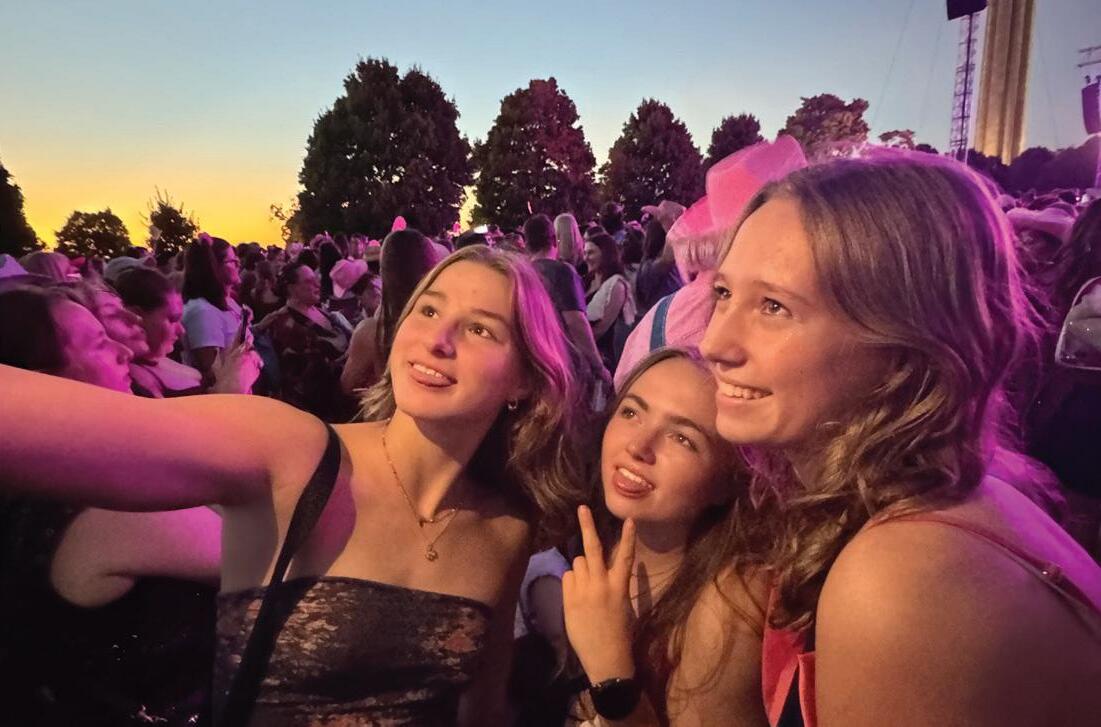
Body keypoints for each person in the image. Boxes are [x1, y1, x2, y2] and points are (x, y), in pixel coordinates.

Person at [0, 245, 588, 725]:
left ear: (523, 380)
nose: (439, 339)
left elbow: (480, 714)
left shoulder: (506, 529)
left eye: (480, 329)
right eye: (428, 310)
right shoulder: (295, 452)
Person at [699, 153, 1101, 726]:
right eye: (722, 293)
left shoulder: (903, 580)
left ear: (906, 340)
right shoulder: (958, 494)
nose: (715, 344)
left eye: (774, 307)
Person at [0, 286, 220, 726]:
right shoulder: (100, 504)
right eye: (100, 343)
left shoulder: (29, 481)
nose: (124, 352)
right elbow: (283, 552)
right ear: (44, 383)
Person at [562, 348, 769, 726]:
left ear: (726, 483)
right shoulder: (583, 532)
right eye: (631, 412)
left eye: (682, 438)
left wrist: (610, 669)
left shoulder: (727, 604)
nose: (638, 447)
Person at [115, 266, 260, 397]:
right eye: (172, 319)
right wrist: (234, 386)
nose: (181, 330)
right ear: (136, 316)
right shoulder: (133, 382)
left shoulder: (157, 359)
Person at [341, 229, 444, 394]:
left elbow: (347, 385)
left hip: (393, 409)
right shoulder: (448, 324)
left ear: (383, 273)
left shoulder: (372, 332)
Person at [256, 261, 355, 421]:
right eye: (309, 281)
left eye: (316, 278)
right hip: (316, 412)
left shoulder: (320, 311)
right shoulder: (285, 324)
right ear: (291, 288)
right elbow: (307, 377)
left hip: (339, 398)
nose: (317, 284)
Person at [524, 213, 609, 395]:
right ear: (554, 239)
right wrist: (599, 367)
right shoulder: (562, 272)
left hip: (534, 365)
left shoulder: (521, 274)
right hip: (565, 366)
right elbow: (576, 322)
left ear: (527, 243)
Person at [180, 236, 244, 386]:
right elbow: (212, 374)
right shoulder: (203, 312)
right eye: (232, 261)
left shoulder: (228, 302)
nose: (238, 265)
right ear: (213, 267)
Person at [584, 232, 637, 371]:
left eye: (590, 253)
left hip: (603, 357)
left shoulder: (616, 285)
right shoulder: (585, 281)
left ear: (606, 254)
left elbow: (602, 328)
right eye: (584, 253)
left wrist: (578, 343)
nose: (585, 258)